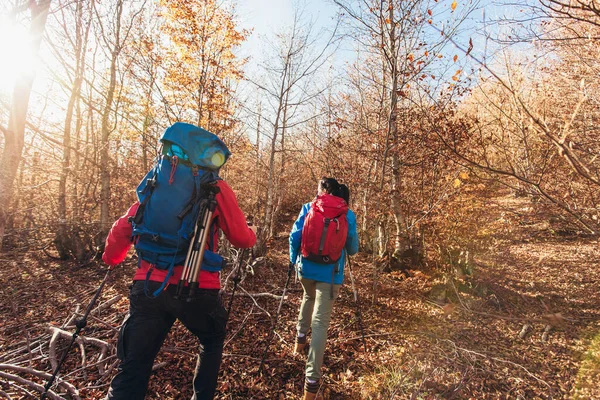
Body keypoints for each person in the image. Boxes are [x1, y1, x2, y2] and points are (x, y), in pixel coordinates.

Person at [102, 124, 256, 400]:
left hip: (148, 286)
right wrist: (253, 234)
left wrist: (112, 257)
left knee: (134, 365)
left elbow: (126, 225)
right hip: (196, 286)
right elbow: (242, 239)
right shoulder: (216, 188)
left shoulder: (155, 184)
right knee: (211, 339)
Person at [289, 178, 359, 400]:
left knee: (307, 298)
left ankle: (299, 342)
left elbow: (294, 237)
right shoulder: (347, 214)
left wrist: (294, 260)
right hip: (330, 275)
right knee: (320, 324)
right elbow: (353, 249)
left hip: (306, 270)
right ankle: (311, 383)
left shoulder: (309, 207)